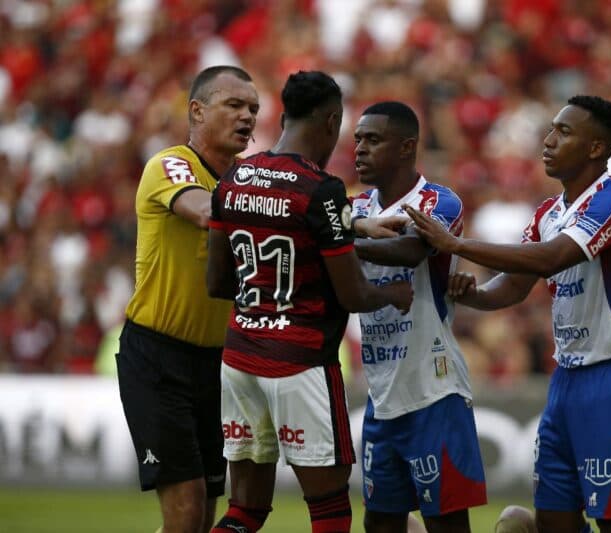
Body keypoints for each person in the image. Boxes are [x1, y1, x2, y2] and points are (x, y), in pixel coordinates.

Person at [405, 95, 611, 533]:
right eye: (550, 130)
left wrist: (457, 245)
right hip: (566, 380)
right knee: (550, 520)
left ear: (596, 148)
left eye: (563, 132)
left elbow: (549, 260)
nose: (548, 140)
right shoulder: (548, 213)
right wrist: (471, 295)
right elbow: (511, 287)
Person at [205, 72, 413, 533]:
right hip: (300, 364)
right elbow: (354, 294)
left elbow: (218, 283)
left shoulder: (233, 179)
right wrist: (393, 294)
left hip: (240, 358)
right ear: (332, 120)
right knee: (329, 509)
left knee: (244, 511)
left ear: (282, 118)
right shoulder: (321, 189)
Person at [115, 65, 259, 533]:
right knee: (188, 507)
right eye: (234, 105)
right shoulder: (171, 164)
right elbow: (203, 211)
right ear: (197, 110)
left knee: (203, 516)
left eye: (253, 109)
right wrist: (282, 205)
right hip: (158, 357)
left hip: (218, 363)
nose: (248, 117)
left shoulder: (250, 181)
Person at [351, 101, 487, 533]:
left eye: (373, 140)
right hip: (383, 393)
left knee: (445, 524)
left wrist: (340, 240)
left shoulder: (439, 201)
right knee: (379, 524)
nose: (359, 149)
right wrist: (348, 233)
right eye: (358, 139)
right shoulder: (357, 209)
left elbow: (411, 249)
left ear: (407, 147)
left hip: (434, 390)